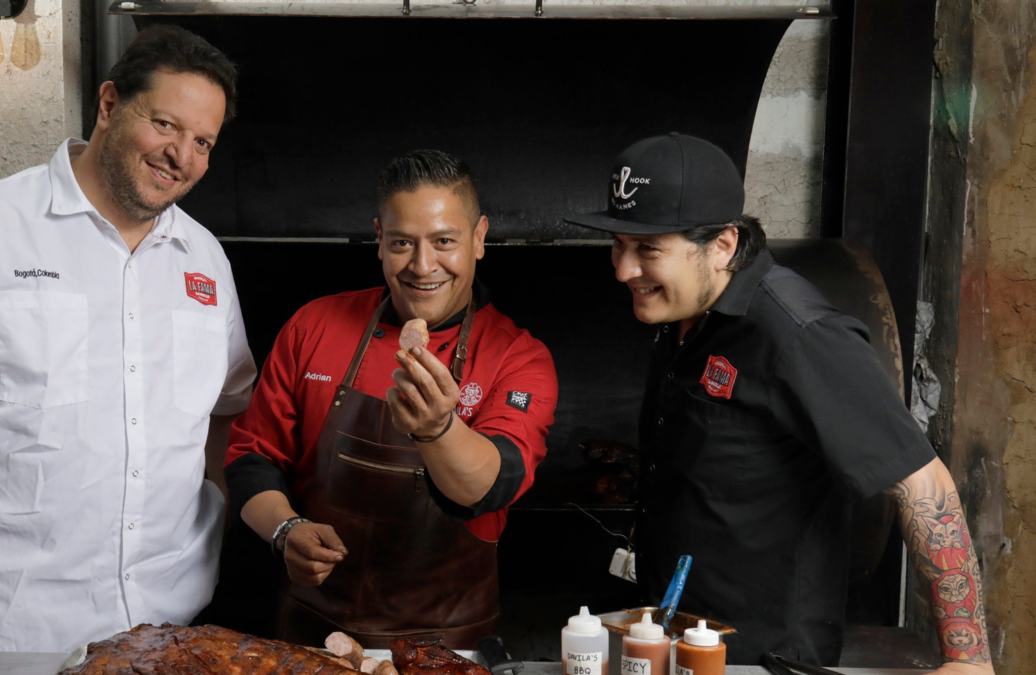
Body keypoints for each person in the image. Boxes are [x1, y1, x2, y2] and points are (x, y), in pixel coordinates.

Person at [0, 25, 256, 672]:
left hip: (169, 627)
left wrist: (217, 521)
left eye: (203, 142)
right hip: (7, 627)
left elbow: (226, 410)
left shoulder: (205, 259)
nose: (182, 155)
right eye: (166, 124)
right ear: (110, 105)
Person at [563, 133, 995, 671]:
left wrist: (968, 658)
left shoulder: (799, 335)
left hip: (763, 656)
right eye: (618, 245)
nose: (623, 270)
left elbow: (922, 482)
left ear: (723, 245)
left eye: (648, 250)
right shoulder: (684, 313)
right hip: (675, 632)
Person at [224, 150, 558, 648]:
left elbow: (488, 488)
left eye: (444, 241)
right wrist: (285, 529)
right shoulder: (313, 325)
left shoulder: (519, 356)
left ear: (479, 238)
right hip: (312, 634)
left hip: (448, 645)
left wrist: (438, 430)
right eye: (402, 242)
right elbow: (251, 458)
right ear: (379, 239)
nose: (423, 266)